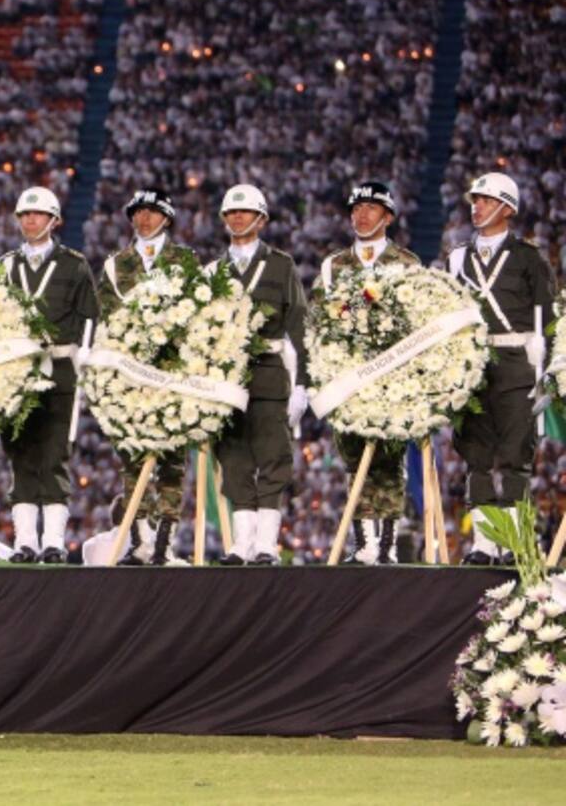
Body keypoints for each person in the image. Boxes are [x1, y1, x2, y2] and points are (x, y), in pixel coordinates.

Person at [448, 172, 556, 566]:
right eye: (474, 199)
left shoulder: (529, 258)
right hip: (473, 367)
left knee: (513, 458)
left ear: (507, 209)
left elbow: (548, 317)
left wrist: (548, 369)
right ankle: (482, 544)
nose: (476, 206)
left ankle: (512, 544)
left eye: (486, 200)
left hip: (517, 365)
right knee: (476, 458)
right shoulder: (457, 257)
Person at [313, 180, 421, 565]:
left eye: (371, 208)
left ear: (388, 216)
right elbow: (319, 319)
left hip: (392, 376)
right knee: (354, 459)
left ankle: (388, 543)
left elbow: (418, 319)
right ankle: (364, 543)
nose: (361, 214)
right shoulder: (333, 266)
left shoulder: (407, 264)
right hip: (347, 376)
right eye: (356, 208)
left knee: (390, 461)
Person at [208, 185, 309, 566]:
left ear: (261, 219)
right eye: (230, 212)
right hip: (228, 379)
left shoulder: (281, 265)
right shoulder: (213, 271)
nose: (236, 217)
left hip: (269, 373)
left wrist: (304, 383)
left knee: (273, 459)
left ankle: (266, 543)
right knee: (233, 460)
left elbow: (300, 325)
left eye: (244, 212)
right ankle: (240, 543)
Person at [0, 186, 98, 563]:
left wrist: (84, 359)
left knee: (55, 454)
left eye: (38, 215)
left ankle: (53, 541)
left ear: (54, 220)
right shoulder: (6, 265)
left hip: (60, 368)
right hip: (18, 372)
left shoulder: (74, 264)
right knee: (21, 455)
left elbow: (90, 316)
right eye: (25, 215)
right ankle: (25, 540)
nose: (30, 221)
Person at [96, 188, 191, 566]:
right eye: (138, 212)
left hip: (172, 376)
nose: (145, 219)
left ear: (166, 217)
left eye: (152, 212)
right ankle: (140, 540)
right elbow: (107, 318)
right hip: (129, 376)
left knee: (171, 461)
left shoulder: (185, 262)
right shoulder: (115, 265)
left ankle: (165, 542)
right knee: (132, 461)